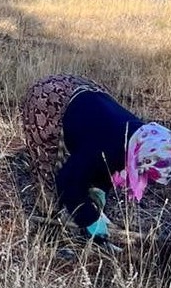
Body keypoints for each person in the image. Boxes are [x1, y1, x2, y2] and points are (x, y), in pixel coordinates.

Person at [21, 73, 171, 241]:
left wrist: (98, 192)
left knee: (88, 168)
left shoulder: (143, 137)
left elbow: (109, 166)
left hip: (89, 94)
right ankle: (49, 221)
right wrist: (89, 219)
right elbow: (66, 180)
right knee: (48, 167)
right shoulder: (106, 145)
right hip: (50, 99)